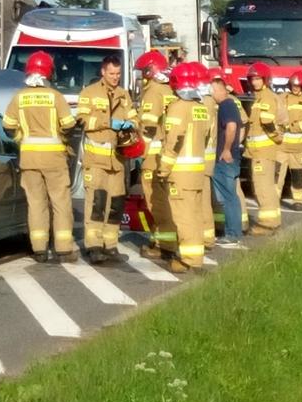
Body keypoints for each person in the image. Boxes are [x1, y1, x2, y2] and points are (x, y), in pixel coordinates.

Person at [2, 51, 80, 262]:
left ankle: (39, 248)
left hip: (29, 159)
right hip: (54, 159)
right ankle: (63, 248)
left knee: (36, 203)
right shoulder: (55, 97)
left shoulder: (19, 98)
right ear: (49, 73)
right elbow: (68, 125)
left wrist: (22, 135)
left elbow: (8, 126)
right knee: (60, 202)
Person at [76, 54, 136, 264]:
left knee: (115, 205)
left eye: (118, 73)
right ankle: (94, 246)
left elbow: (134, 117)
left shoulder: (124, 95)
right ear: (103, 72)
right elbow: (82, 120)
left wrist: (132, 126)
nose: (115, 77)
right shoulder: (89, 93)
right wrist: (107, 122)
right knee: (97, 203)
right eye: (112, 73)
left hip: (117, 161)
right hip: (96, 162)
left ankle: (110, 246)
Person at [155, 62, 214, 272]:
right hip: (196, 172)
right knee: (195, 215)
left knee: (184, 217)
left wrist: (163, 169)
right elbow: (205, 137)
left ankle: (189, 260)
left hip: (180, 173)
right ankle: (195, 255)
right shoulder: (200, 108)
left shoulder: (178, 107)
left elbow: (173, 141)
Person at [133, 51, 178, 260]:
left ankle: (165, 245)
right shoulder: (169, 89)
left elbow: (149, 126)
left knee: (157, 203)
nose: (142, 77)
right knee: (166, 200)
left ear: (150, 71)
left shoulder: (153, 92)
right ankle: (160, 239)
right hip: (166, 153)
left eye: (143, 72)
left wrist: (138, 145)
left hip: (153, 155)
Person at [243, 62, 286, 236]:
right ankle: (274, 221)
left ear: (265, 80)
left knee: (262, 188)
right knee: (267, 186)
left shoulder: (266, 98)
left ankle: (267, 224)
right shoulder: (259, 97)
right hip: (260, 152)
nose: (255, 82)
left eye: (258, 79)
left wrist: (276, 137)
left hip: (262, 152)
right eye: (252, 79)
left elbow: (267, 122)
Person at [209, 72, 247, 248]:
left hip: (225, 160)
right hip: (230, 158)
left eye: (211, 91)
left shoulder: (226, 105)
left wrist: (226, 149)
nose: (211, 95)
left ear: (219, 90)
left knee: (228, 197)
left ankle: (232, 234)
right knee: (229, 196)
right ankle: (232, 232)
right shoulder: (230, 104)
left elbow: (231, 127)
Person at [280, 71, 302, 207]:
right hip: (281, 146)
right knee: (277, 175)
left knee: (297, 175)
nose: (295, 88)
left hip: (297, 147)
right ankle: (273, 199)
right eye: (293, 85)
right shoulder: (283, 98)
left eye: (298, 86)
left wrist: (290, 126)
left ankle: (299, 201)